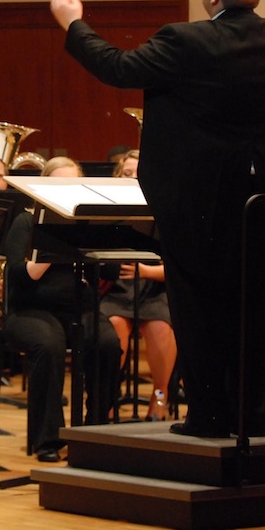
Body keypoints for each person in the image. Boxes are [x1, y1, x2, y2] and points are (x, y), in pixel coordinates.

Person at [50, 0, 265, 439]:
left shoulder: (186, 40)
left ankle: (207, 418)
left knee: (200, 310)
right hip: (264, 202)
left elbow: (117, 68)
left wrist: (72, 23)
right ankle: (249, 417)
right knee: (252, 310)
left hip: (198, 205)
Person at [2, 157, 122, 461]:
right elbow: (20, 275)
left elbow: (110, 270)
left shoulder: (88, 225)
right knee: (48, 344)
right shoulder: (26, 222)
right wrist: (53, 243)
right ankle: (48, 439)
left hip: (78, 309)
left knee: (107, 342)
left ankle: (97, 431)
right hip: (30, 310)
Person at [99, 150, 176, 421]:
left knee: (160, 328)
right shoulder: (107, 213)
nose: (133, 178)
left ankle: (160, 397)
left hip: (155, 289)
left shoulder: (168, 212)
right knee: (114, 328)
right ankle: (105, 399)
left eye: (138, 173)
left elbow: (180, 267)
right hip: (116, 289)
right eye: (127, 173)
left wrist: (146, 271)